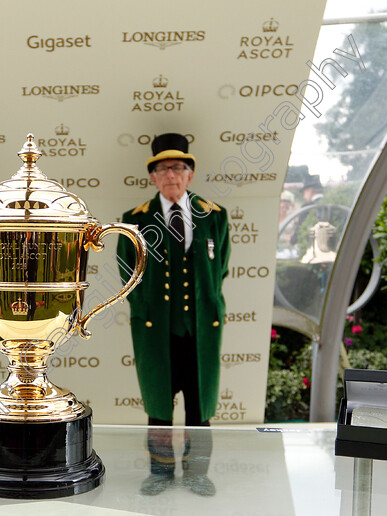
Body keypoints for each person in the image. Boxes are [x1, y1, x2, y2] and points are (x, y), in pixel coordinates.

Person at [117, 133, 230, 496]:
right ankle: (161, 473)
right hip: (156, 332)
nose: (171, 175)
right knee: (159, 407)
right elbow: (127, 274)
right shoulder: (133, 220)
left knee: (200, 407)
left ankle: (197, 472)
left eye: (178, 167)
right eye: (163, 169)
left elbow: (221, 267)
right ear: (152, 176)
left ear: (190, 174)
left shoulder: (214, 216)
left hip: (199, 330)